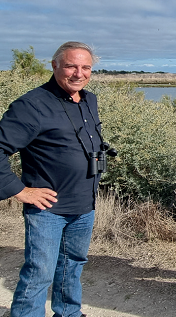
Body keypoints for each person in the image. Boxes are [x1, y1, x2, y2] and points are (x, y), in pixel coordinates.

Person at [0, 41, 110, 317]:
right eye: (71, 65)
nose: (78, 73)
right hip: (47, 209)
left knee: (72, 266)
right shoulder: (32, 105)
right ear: (55, 66)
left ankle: (69, 313)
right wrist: (20, 190)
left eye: (86, 67)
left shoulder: (89, 100)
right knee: (39, 273)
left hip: (84, 204)